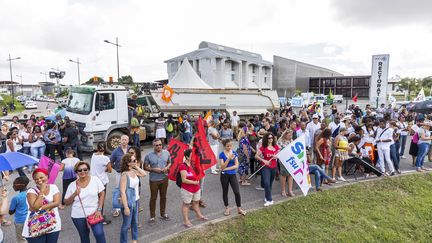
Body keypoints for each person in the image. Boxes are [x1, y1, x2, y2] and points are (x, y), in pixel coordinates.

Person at [64, 161, 107, 243]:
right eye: (80, 170)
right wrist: (74, 194)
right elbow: (66, 202)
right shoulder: (72, 185)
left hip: (94, 213)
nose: (83, 172)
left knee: (99, 234)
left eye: (85, 169)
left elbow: (102, 193)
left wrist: (99, 209)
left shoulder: (95, 179)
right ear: (76, 172)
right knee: (84, 237)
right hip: (78, 215)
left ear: (88, 170)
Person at [23, 168, 61, 243]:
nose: (39, 180)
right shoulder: (31, 191)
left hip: (53, 223)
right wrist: (41, 191)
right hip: (36, 226)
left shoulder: (53, 187)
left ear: (47, 176)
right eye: (36, 179)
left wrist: (39, 207)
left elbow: (57, 202)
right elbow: (36, 207)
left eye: (41, 177)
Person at [119, 153, 147, 243]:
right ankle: (123, 241)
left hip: (136, 200)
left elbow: (144, 174)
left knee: (135, 222)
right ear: (128, 163)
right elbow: (122, 192)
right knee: (126, 225)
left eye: (136, 160)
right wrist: (126, 207)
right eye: (134, 160)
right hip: (128, 202)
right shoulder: (124, 174)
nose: (136, 162)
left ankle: (134, 239)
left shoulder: (134, 171)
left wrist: (136, 167)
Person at [143, 138, 171, 224]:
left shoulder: (166, 153)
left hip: (164, 178)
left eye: (160, 145)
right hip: (154, 180)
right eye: (156, 145)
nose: (159, 146)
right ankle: (152, 216)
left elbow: (170, 162)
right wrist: (154, 169)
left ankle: (163, 214)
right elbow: (145, 167)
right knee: (153, 198)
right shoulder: (148, 155)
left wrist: (167, 167)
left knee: (163, 197)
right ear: (153, 146)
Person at [179, 149, 208, 227]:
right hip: (187, 189)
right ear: (187, 157)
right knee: (186, 204)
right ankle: (186, 221)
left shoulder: (194, 164)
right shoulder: (183, 166)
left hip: (196, 188)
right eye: (192, 155)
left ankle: (199, 215)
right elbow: (184, 180)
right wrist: (194, 182)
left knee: (196, 202)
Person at [219, 139, 247, 216]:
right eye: (227, 146)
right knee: (225, 191)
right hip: (224, 176)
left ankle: (239, 209)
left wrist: (225, 169)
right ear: (224, 146)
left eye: (230, 145)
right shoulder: (221, 154)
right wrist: (228, 159)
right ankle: (227, 208)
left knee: (237, 192)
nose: (229, 147)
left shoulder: (234, 153)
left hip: (232, 175)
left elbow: (236, 165)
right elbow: (222, 166)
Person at [255, 132, 280, 207]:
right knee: (266, 183)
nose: (271, 139)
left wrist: (277, 156)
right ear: (266, 138)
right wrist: (264, 160)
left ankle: (267, 197)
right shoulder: (263, 147)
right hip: (265, 167)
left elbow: (279, 154)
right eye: (269, 138)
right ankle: (270, 199)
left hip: (274, 167)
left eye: (272, 137)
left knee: (270, 183)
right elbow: (256, 156)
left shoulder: (276, 147)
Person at [90, 143, 112, 224]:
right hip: (102, 181)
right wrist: (105, 169)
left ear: (97, 148)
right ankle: (100, 218)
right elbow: (110, 170)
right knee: (101, 200)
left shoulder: (93, 155)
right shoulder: (105, 158)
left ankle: (97, 215)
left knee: (96, 199)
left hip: (94, 181)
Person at [109, 135, 130, 217]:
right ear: (120, 141)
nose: (124, 141)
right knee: (118, 189)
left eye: (125, 140)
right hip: (120, 174)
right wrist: (116, 168)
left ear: (128, 141)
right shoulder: (116, 151)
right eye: (122, 140)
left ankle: (129, 204)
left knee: (129, 189)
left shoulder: (131, 149)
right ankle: (117, 209)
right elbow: (110, 162)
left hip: (129, 173)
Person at [9, 176, 30, 243]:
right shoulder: (30, 193)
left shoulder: (16, 198)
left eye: (15, 184)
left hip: (20, 221)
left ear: (22, 185)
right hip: (30, 219)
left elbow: (10, 212)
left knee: (21, 239)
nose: (13, 186)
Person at [277, 129, 295, 197]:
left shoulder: (291, 140)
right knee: (284, 175)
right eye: (289, 135)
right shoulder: (280, 141)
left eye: (291, 135)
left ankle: (290, 190)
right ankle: (283, 190)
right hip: (283, 160)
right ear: (285, 134)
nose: (290, 136)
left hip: (291, 159)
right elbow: (278, 150)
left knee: (291, 175)